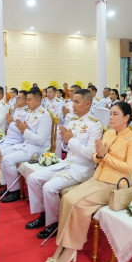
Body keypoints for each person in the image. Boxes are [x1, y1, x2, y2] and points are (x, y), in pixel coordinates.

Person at [46, 102, 132, 262]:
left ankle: (70, 248)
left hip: (115, 185)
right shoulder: (109, 134)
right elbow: (96, 158)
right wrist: (99, 155)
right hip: (97, 179)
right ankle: (62, 246)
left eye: (115, 114)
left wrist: (105, 157)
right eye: (110, 113)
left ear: (126, 117)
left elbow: (130, 168)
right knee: (67, 198)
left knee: (77, 203)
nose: (111, 117)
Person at [27, 89, 103, 239]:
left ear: (88, 103)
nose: (73, 105)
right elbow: (65, 147)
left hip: (82, 168)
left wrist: (71, 140)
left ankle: (55, 223)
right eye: (72, 101)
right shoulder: (73, 120)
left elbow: (92, 155)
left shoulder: (95, 125)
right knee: (34, 178)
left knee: (49, 187)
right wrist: (67, 142)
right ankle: (44, 214)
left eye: (77, 102)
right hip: (68, 163)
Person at [0, 88, 52, 203]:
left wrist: (24, 131)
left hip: (39, 149)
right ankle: (7, 186)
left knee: (8, 160)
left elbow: (40, 140)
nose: (27, 102)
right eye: (27, 100)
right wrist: (22, 130)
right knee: (1, 154)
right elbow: (25, 134)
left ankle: (15, 191)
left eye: (29, 100)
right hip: (27, 145)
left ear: (38, 101)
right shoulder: (30, 113)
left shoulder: (44, 116)